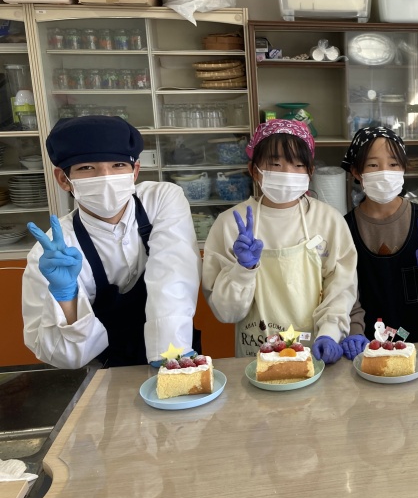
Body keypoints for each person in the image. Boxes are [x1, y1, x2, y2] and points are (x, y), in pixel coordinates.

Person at [22, 116, 201, 369]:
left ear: (135, 171)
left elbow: (173, 274)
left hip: (175, 349)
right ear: (63, 179)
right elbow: (66, 357)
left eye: (118, 165)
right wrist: (66, 297)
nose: (105, 177)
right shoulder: (51, 252)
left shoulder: (160, 200)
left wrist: (171, 354)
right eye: (87, 168)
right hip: (103, 367)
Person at [202, 119, 358, 363]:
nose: (287, 173)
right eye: (275, 164)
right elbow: (226, 313)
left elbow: (341, 287)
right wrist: (243, 271)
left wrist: (330, 332)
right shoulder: (230, 224)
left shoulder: (329, 221)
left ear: (310, 172)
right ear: (254, 170)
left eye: (298, 165)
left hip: (315, 352)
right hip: (257, 356)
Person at [338, 127, 418, 358]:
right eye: (373, 165)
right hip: (369, 343)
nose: (384, 172)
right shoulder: (344, 227)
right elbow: (344, 291)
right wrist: (354, 333)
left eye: (393, 164)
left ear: (403, 169)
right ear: (356, 172)